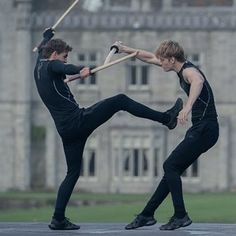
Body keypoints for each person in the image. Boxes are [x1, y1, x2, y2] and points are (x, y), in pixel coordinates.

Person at [33, 29, 183, 230]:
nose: (64, 59)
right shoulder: (53, 65)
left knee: (72, 173)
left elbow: (42, 50)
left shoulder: (38, 66)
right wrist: (81, 69)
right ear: (54, 55)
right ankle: (167, 119)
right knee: (120, 100)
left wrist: (46, 37)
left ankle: (57, 219)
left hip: (66, 131)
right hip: (78, 121)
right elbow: (62, 67)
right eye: (64, 55)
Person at [112, 40, 219, 230]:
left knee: (169, 165)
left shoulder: (188, 71)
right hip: (204, 129)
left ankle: (181, 215)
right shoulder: (178, 68)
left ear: (171, 59)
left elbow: (198, 81)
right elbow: (148, 56)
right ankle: (146, 215)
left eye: (163, 60)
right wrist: (126, 50)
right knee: (172, 171)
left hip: (205, 129)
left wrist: (187, 107)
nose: (160, 63)